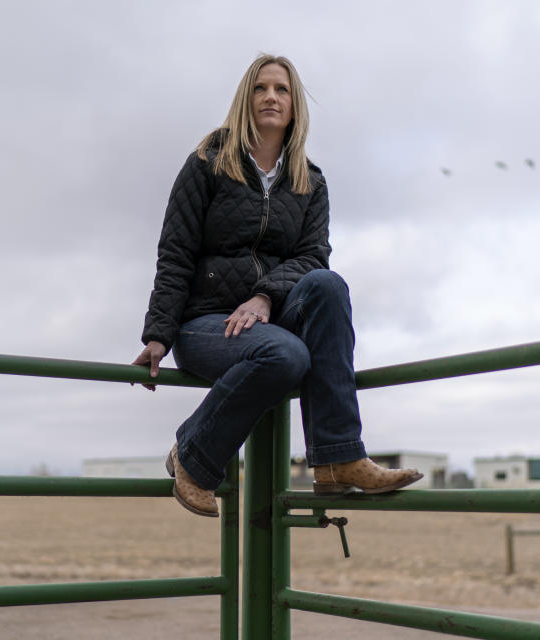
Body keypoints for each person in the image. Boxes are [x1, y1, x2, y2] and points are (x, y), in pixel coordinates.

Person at [133, 54, 422, 517]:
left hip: (270, 316)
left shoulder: (311, 181)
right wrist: (158, 334)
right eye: (260, 88)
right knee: (287, 356)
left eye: (281, 89)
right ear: (245, 99)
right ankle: (193, 455)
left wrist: (265, 295)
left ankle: (337, 459)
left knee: (328, 284)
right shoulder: (206, 166)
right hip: (204, 323)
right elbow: (175, 252)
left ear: (294, 105)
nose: (271, 97)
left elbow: (312, 256)